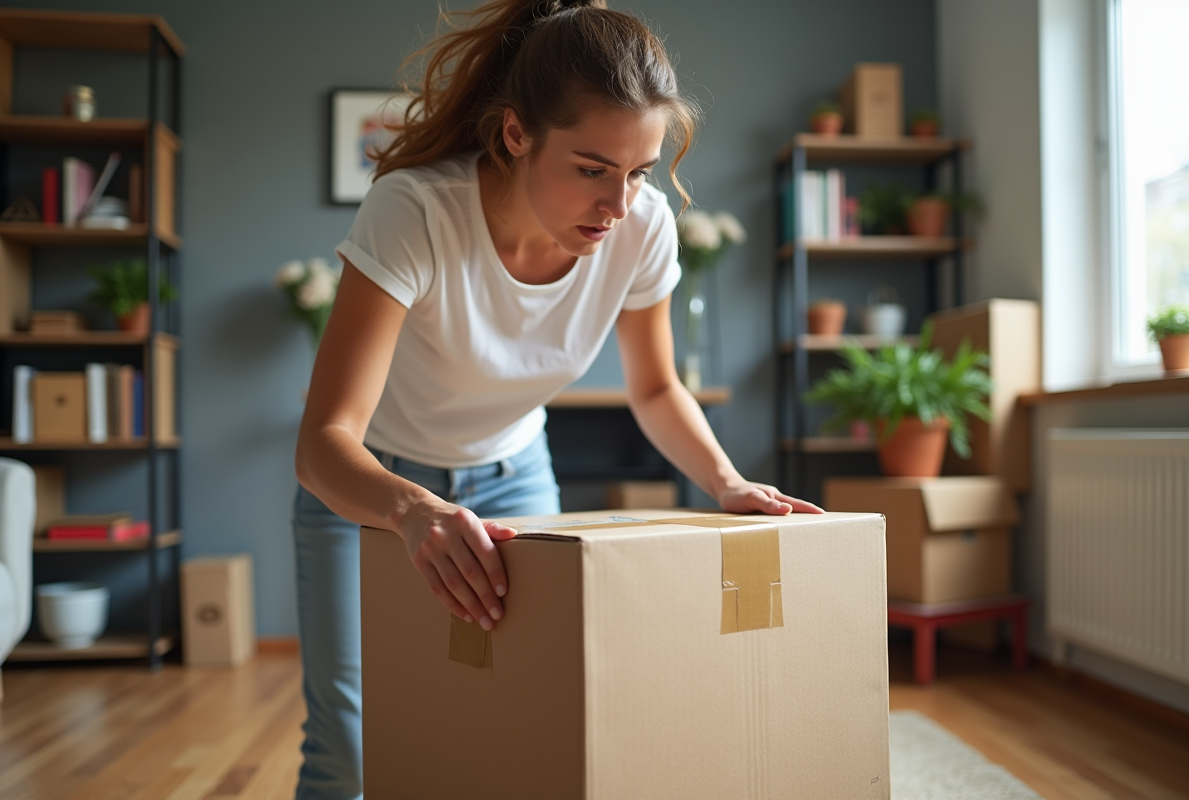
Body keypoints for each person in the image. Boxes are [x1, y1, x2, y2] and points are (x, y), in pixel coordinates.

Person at [291, 0, 823, 797]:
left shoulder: (642, 228)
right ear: (516, 134)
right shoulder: (415, 213)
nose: (618, 203)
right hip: (377, 490)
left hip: (515, 481)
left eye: (640, 172)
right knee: (351, 748)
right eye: (591, 168)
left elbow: (654, 386)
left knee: (522, 726)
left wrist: (727, 482)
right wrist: (411, 511)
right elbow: (324, 440)